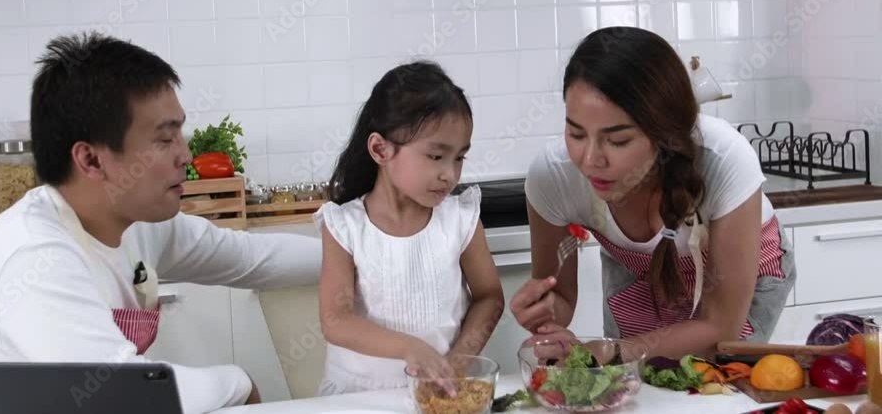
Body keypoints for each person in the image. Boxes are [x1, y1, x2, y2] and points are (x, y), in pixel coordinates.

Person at [0, 32, 321, 414]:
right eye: (164, 139)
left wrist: (357, 252)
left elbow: (247, 257)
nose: (186, 155)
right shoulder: (33, 256)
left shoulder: (135, 223)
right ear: (91, 160)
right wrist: (236, 381)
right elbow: (118, 394)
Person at [510, 27, 796, 360]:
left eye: (618, 141)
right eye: (575, 133)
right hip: (640, 275)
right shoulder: (553, 175)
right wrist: (544, 314)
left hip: (738, 280)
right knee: (635, 391)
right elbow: (560, 300)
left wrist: (608, 352)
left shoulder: (725, 158)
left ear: (664, 134)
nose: (590, 161)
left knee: (716, 387)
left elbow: (720, 327)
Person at [316, 61, 504, 396]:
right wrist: (411, 348)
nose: (450, 174)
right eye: (436, 157)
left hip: (439, 393)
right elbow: (335, 319)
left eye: (459, 158)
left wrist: (456, 364)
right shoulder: (344, 226)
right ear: (380, 150)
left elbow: (489, 297)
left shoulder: (460, 219)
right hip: (358, 397)